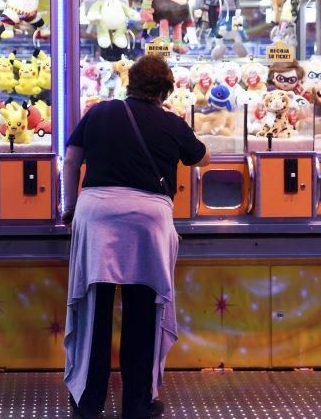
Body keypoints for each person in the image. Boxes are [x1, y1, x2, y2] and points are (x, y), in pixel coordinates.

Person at [62, 55, 211, 418]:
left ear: (129, 83)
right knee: (143, 310)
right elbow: (201, 158)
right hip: (148, 221)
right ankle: (137, 403)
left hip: (97, 215)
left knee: (94, 308)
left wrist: (69, 207)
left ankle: (88, 399)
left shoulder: (98, 113)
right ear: (164, 90)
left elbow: (70, 160)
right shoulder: (170, 122)